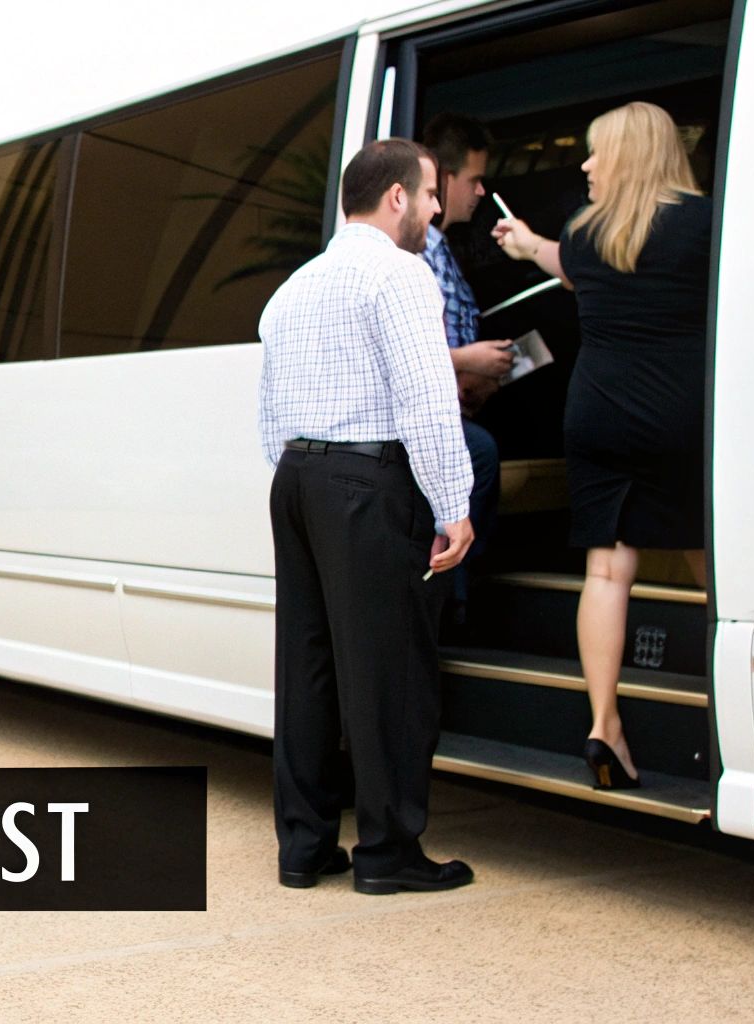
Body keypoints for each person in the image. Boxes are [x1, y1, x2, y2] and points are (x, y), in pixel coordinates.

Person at [258, 138, 476, 895]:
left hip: (297, 475)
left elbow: (269, 409)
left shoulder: (296, 285)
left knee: (307, 667)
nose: (435, 210)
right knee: (387, 671)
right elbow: (426, 397)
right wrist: (454, 504)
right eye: (428, 196)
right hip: (365, 480)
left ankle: (304, 847)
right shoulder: (399, 275)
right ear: (394, 198)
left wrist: (300, 475)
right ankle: (388, 854)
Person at [491, 101, 709, 790]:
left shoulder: (588, 234)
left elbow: (571, 265)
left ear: (629, 156)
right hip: (679, 417)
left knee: (607, 573)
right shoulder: (707, 226)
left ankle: (603, 722)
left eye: (595, 153)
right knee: (712, 569)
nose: (584, 164)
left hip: (597, 414)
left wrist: (529, 245)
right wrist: (532, 246)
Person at [417, 114, 512, 614]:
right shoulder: (416, 250)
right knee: (479, 453)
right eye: (473, 180)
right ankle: (451, 595)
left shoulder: (443, 249)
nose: (479, 192)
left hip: (458, 398)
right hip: (433, 410)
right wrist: (464, 360)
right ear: (444, 178)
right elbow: (407, 344)